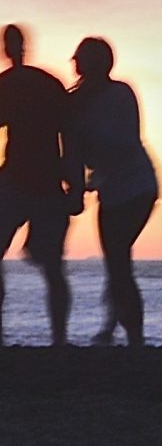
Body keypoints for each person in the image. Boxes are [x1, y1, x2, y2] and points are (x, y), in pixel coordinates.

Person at [69, 37, 159, 348]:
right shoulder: (78, 101)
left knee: (119, 261)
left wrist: (85, 144)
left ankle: (133, 335)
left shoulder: (119, 93)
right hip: (111, 189)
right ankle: (113, 327)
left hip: (136, 187)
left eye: (79, 57)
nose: (74, 62)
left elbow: (122, 141)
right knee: (117, 261)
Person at [0, 24, 83, 347]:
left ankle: (59, 338)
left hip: (28, 180)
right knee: (53, 267)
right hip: (40, 180)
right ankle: (59, 339)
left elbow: (69, 136)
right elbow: (70, 137)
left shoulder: (12, 84)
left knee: (52, 266)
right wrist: (74, 184)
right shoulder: (47, 83)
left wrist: (75, 184)